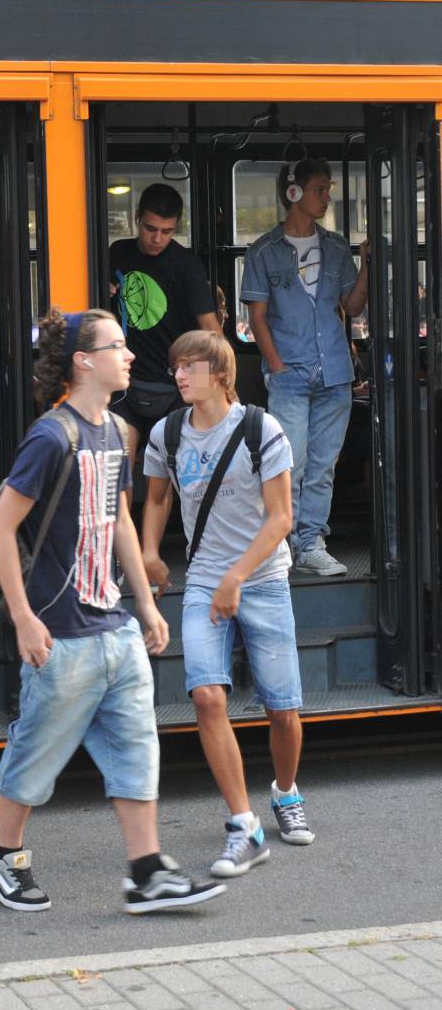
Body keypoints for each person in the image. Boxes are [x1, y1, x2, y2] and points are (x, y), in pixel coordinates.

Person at [0, 307, 224, 916]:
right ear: (84, 362)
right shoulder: (49, 436)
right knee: (35, 752)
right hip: (60, 631)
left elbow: (114, 523)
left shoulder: (117, 432)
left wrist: (143, 602)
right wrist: (24, 617)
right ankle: (3, 856)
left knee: (137, 748)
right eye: (118, 346)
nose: (131, 355)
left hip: (112, 625)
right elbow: (2, 530)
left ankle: (147, 870)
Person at [141, 329, 312, 879]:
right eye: (176, 367)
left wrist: (237, 577)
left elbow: (281, 518)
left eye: (189, 366)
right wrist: (148, 553)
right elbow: (158, 496)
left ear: (220, 374)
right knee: (208, 698)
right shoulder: (167, 433)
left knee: (282, 711)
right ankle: (244, 826)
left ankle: (284, 794)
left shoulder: (263, 430)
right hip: (206, 582)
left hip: (262, 580)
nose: (179, 375)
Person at [241, 158, 369, 576]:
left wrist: (366, 264)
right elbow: (257, 317)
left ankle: (311, 541)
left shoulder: (335, 246)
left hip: (335, 370)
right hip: (290, 374)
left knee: (323, 464)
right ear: (293, 193)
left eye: (327, 188)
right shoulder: (262, 250)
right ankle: (283, 540)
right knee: (288, 461)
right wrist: (276, 366)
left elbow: (352, 306)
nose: (326, 197)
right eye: (319, 189)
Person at [109, 183, 219, 465]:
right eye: (150, 228)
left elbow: (209, 327)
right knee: (120, 465)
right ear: (137, 218)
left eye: (167, 231)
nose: (157, 238)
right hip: (125, 382)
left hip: (176, 385)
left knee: (167, 471)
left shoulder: (187, 265)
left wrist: (220, 386)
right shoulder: (117, 253)